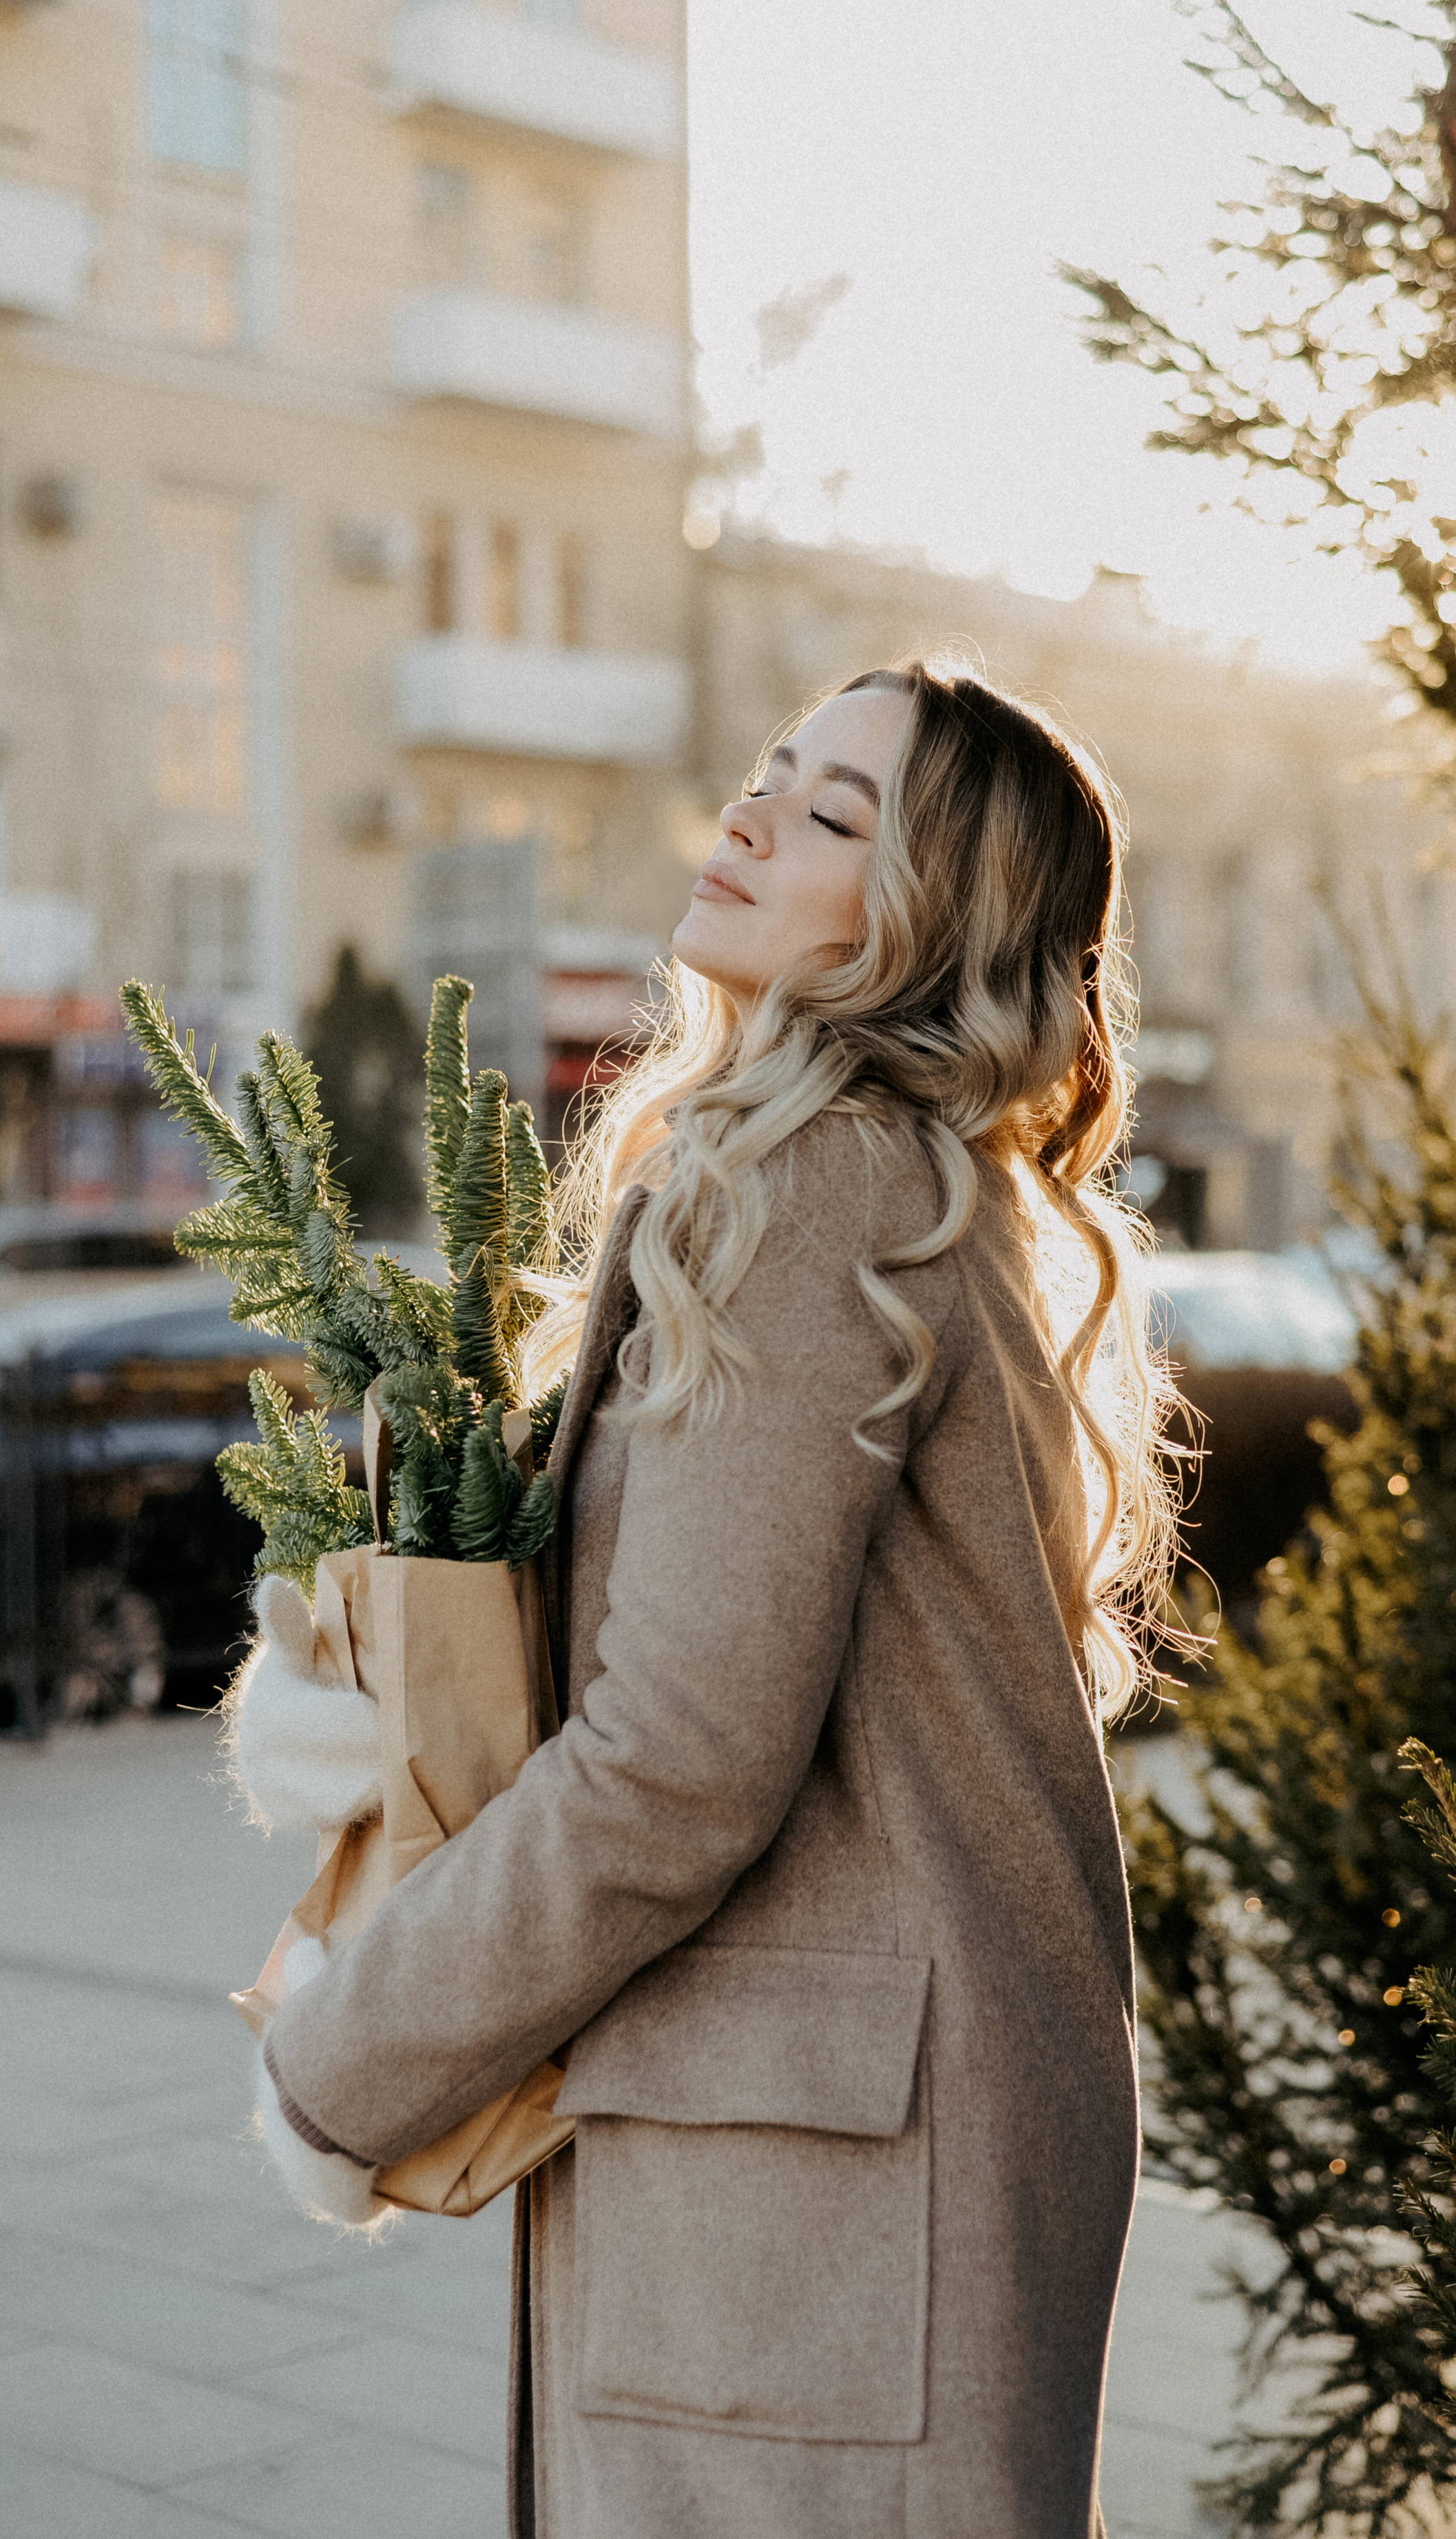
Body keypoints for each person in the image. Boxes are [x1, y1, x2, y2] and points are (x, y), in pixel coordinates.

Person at [234, 662, 1178, 2539]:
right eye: (773, 775)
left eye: (835, 814)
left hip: (829, 2199)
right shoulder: (897, 1172)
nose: (750, 816)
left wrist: (345, 2058)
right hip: (865, 2159)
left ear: (933, 921)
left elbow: (679, 1759)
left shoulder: (809, 1170)